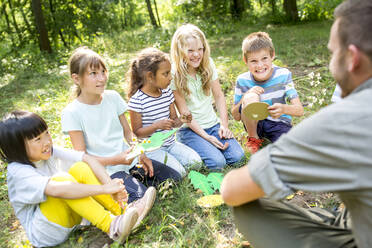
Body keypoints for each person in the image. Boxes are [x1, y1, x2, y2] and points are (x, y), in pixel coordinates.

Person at [221, 0, 372, 247]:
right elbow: (237, 112)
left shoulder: (343, 121)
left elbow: (232, 190)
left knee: (246, 208)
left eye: (333, 54)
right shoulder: (243, 81)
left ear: (352, 59)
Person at [0, 111, 155, 247]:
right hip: (45, 232)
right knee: (60, 180)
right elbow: (56, 189)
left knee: (80, 168)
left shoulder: (47, 151)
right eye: (38, 139)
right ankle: (112, 226)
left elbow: (87, 158)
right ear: (18, 147)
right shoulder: (18, 171)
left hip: (69, 219)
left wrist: (110, 186)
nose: (47, 141)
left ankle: (122, 211)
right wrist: (103, 189)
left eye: (47, 133)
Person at [61, 47, 181, 203]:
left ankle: (133, 184)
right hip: (106, 171)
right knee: (141, 198)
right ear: (76, 79)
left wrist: (140, 153)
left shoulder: (113, 98)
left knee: (174, 179)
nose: (102, 78)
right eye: (93, 74)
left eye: (103, 72)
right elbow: (82, 158)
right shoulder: (72, 112)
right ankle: (112, 195)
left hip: (129, 162)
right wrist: (115, 160)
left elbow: (128, 132)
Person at [170, 24, 245, 170]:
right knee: (217, 163)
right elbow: (186, 114)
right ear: (180, 51)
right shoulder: (174, 74)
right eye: (190, 50)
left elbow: (218, 96)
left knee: (238, 158)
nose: (196, 54)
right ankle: (191, 149)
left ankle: (208, 146)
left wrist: (224, 125)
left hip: (213, 124)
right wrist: (206, 137)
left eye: (200, 49)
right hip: (189, 129)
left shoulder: (208, 64)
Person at [127, 47, 202, 174]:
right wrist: (156, 126)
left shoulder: (166, 92)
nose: (170, 78)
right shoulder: (137, 101)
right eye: (165, 74)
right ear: (150, 76)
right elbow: (137, 133)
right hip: (152, 150)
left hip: (171, 144)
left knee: (196, 163)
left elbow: (173, 122)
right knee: (180, 173)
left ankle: (172, 165)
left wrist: (183, 119)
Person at [231, 31, 304, 154]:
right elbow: (236, 116)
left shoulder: (283, 75)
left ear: (272, 55)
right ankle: (253, 139)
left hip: (278, 123)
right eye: (253, 61)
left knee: (290, 150)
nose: (260, 66)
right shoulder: (242, 80)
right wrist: (245, 96)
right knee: (251, 96)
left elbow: (299, 110)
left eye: (264, 58)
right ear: (245, 60)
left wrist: (283, 109)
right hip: (254, 123)